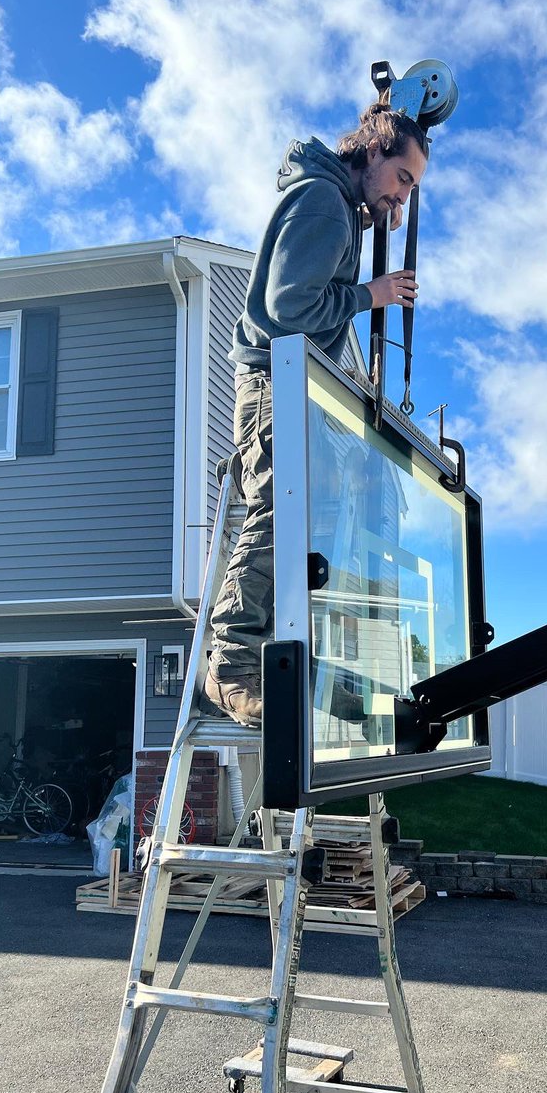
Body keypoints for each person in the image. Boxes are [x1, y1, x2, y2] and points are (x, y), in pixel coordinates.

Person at [203, 103, 430, 728]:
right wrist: (371, 296)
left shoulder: (340, 207)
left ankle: (309, 672)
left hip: (299, 386)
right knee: (278, 518)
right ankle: (230, 668)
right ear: (374, 151)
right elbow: (289, 307)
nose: (402, 200)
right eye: (403, 179)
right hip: (275, 385)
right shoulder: (325, 201)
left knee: (315, 535)